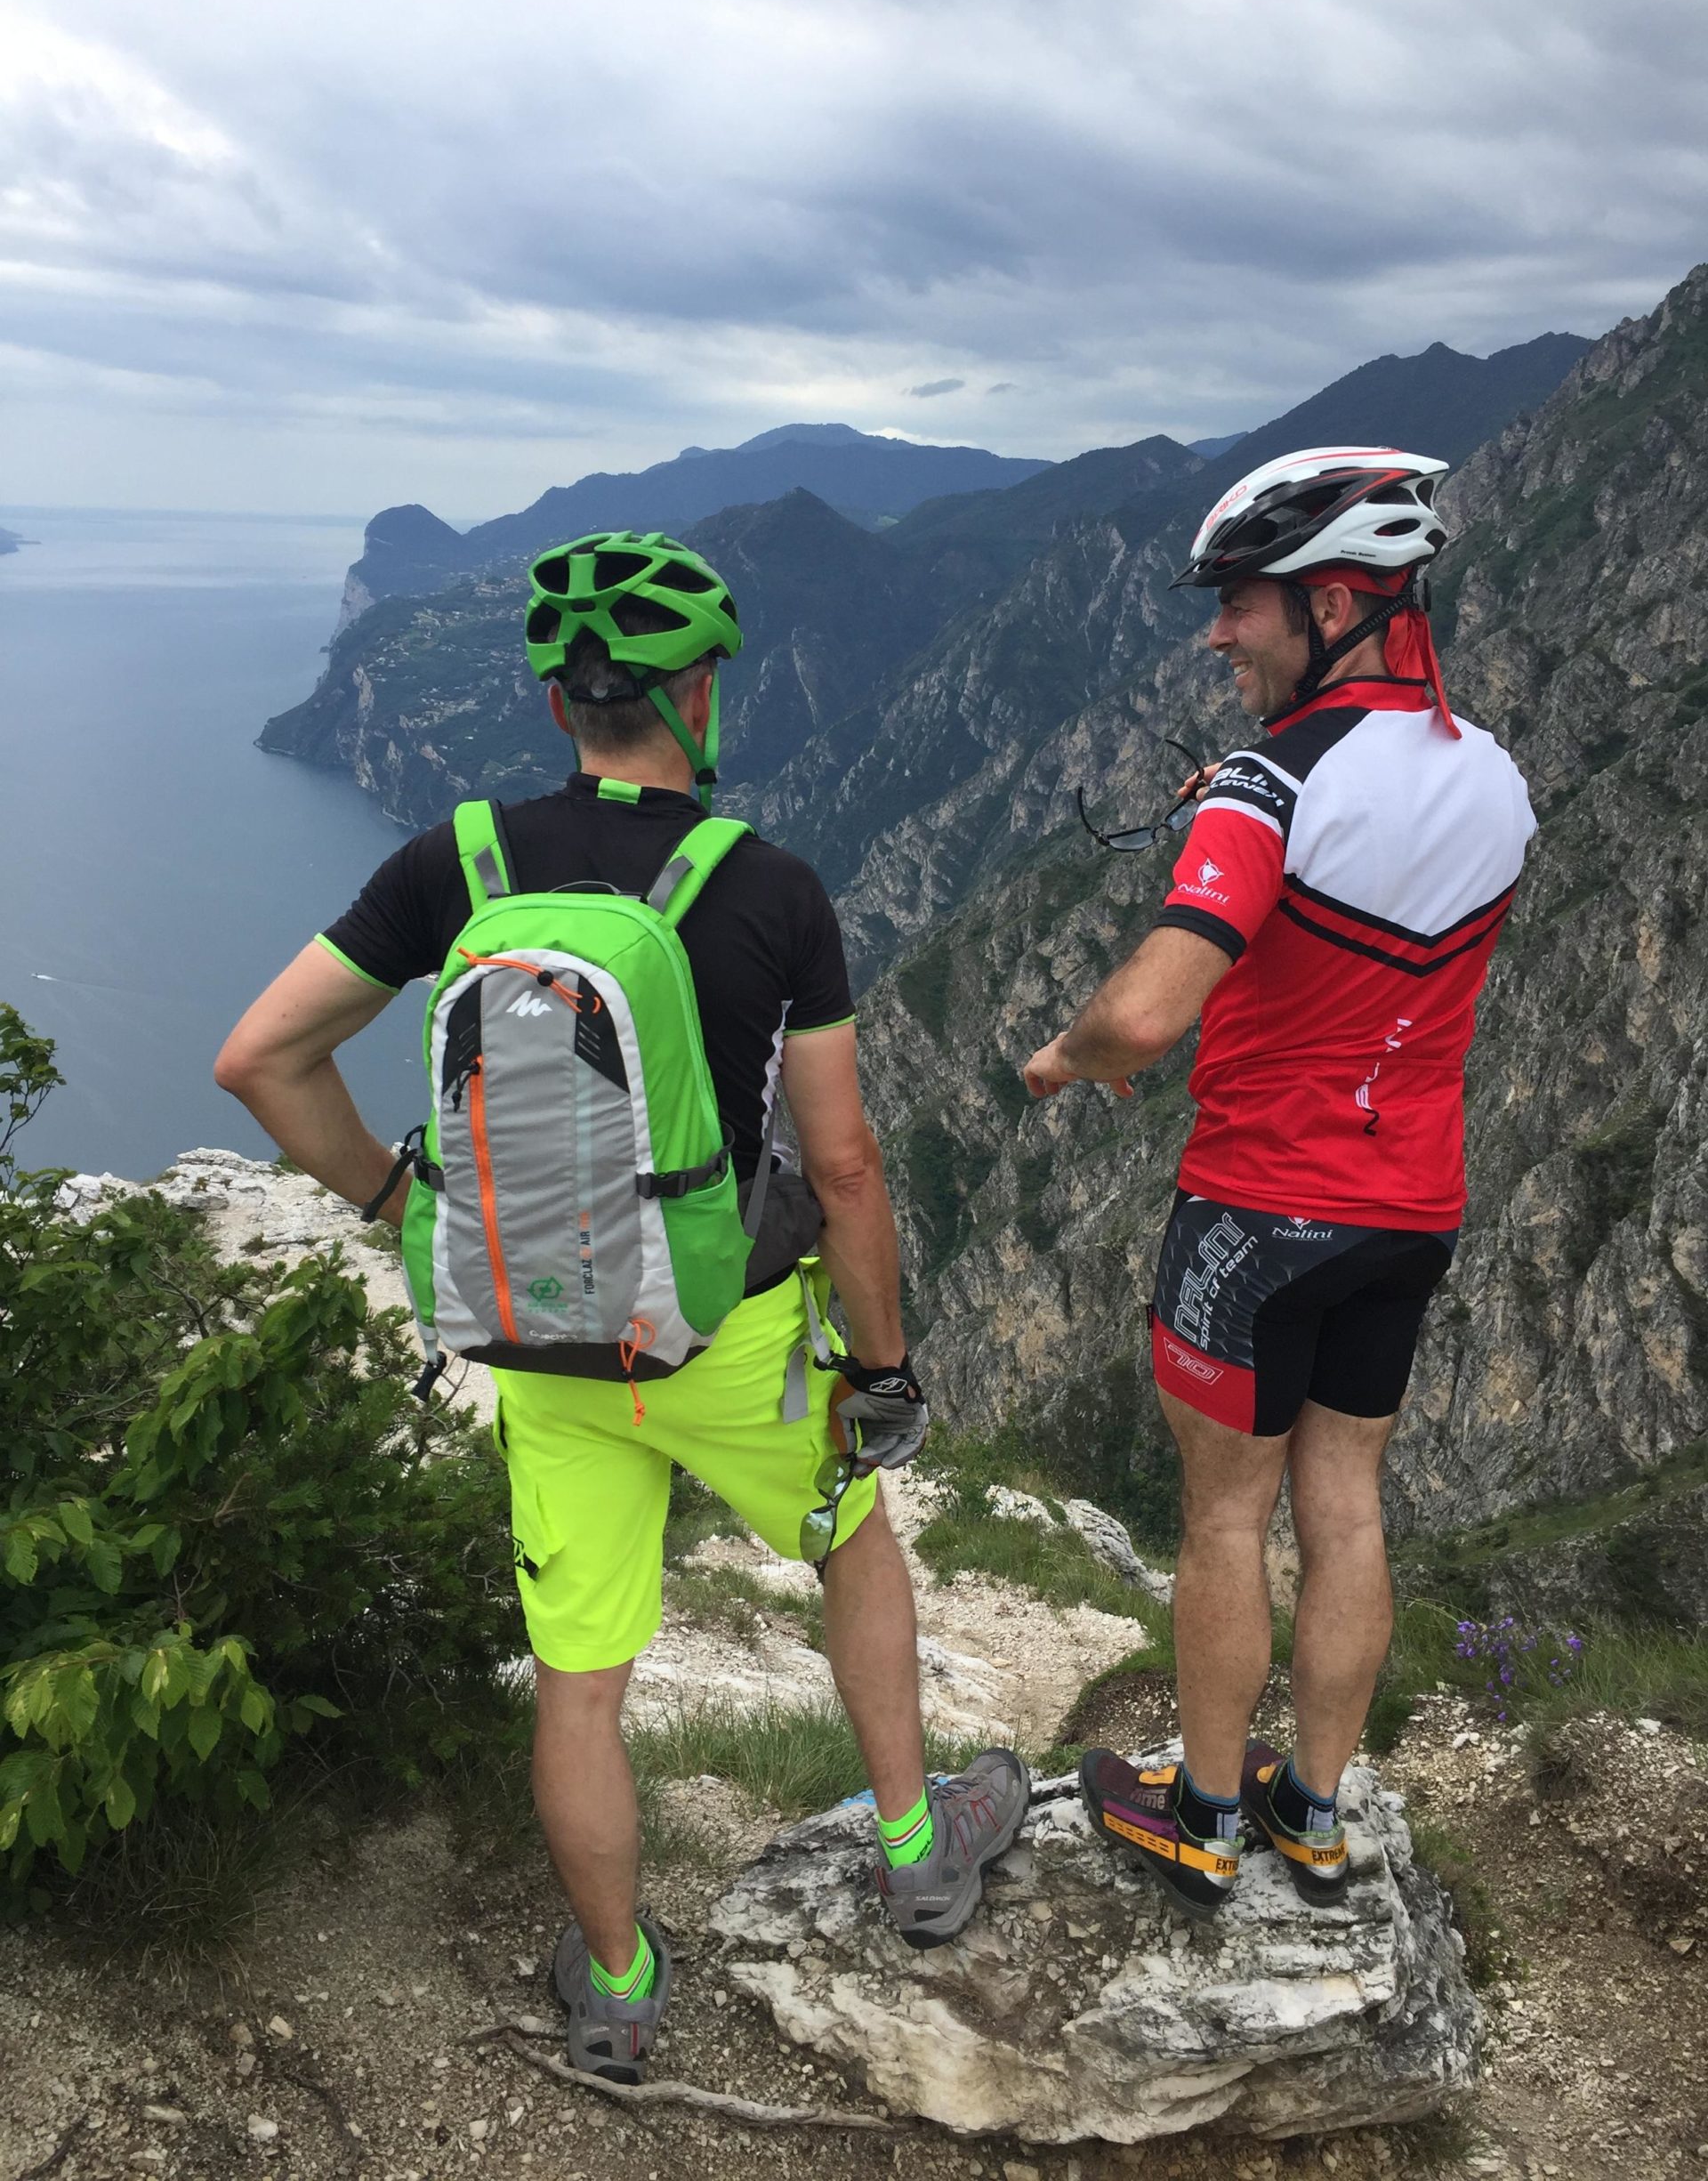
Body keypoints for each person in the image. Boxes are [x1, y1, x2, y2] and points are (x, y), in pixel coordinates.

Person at [217, 529, 1027, 2079]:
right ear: (699, 694)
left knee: (581, 1684)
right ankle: (920, 1851)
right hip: (727, 1333)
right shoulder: (769, 887)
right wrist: (883, 1366)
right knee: (852, 1541)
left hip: (544, 1342)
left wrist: (401, 1207)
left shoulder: (454, 864)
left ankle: (616, 1984)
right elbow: (845, 1164)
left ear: (556, 702)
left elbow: (258, 1059)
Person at [1022, 449, 1535, 1921]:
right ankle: (1311, 1811)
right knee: (1349, 1510)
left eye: (1241, 602)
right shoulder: (1498, 778)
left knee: (1227, 1522)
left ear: (1332, 603)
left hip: (1259, 1209)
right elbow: (1388, 895)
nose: (1217, 633)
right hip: (1411, 1206)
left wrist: (1064, 1058)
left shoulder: (1269, 783)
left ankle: (1199, 1815)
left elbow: (1145, 1017)